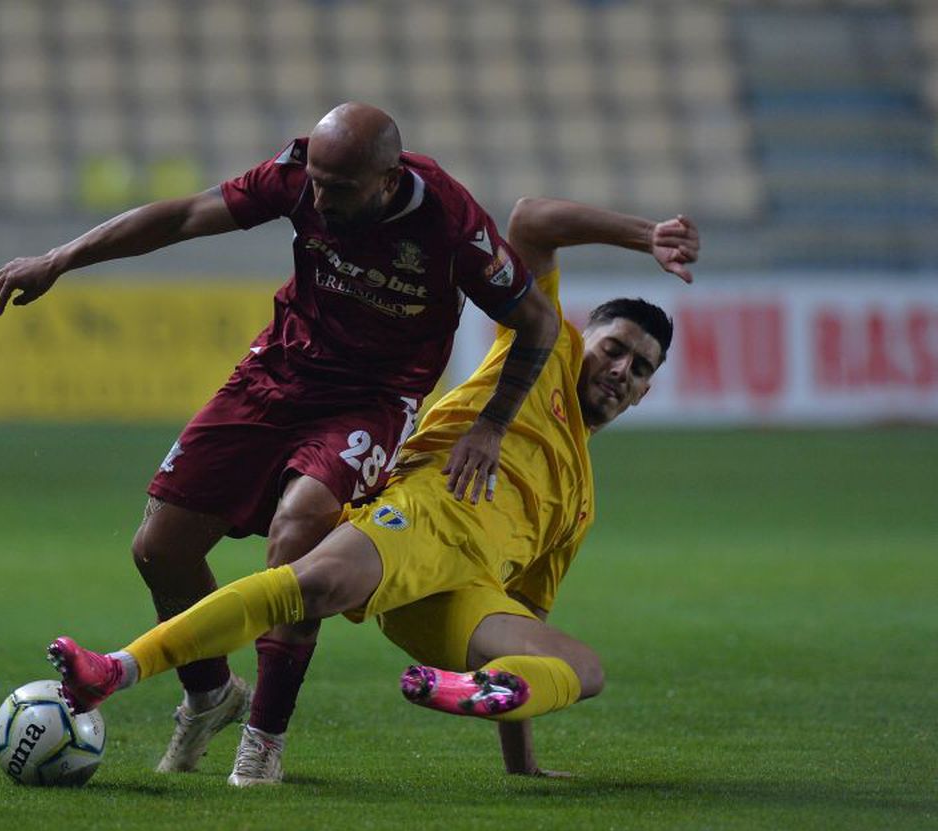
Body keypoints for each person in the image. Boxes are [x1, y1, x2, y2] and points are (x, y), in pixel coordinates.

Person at [0, 103, 560, 784]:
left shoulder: (452, 224)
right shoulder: (298, 173)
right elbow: (182, 216)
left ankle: (265, 739)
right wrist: (61, 258)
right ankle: (210, 694)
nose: (316, 198)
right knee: (159, 549)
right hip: (277, 372)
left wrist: (491, 425)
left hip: (373, 399)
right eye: (314, 181)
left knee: (300, 528)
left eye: (336, 189)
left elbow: (538, 322)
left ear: (385, 180)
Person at [45, 197, 700, 780]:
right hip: (427, 516)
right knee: (312, 585)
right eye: (614, 348)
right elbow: (532, 220)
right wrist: (646, 236)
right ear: (586, 339)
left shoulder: (580, 502)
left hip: (462, 598)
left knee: (583, 669)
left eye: (640, 369)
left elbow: (528, 614)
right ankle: (118, 670)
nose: (621, 370)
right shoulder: (546, 351)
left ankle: (467, 689)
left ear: (645, 394)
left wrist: (521, 763)